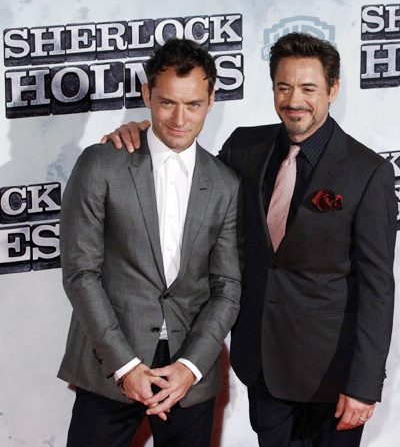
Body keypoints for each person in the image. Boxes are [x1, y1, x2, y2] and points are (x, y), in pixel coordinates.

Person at [102, 32, 397, 447]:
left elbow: (377, 287)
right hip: (262, 367)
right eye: (283, 86)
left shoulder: (368, 172)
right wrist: (141, 131)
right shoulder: (245, 147)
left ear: (332, 90)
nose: (294, 100)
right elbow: (187, 166)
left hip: (332, 378)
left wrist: (364, 385)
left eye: (308, 88)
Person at [58, 38, 244, 447]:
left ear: (211, 100)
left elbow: (228, 288)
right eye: (167, 103)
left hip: (188, 372)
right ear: (147, 95)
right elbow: (80, 272)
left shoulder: (225, 183)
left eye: (193, 104)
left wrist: (191, 366)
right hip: (110, 364)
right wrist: (125, 366)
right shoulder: (102, 163)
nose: (179, 118)